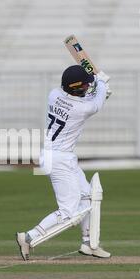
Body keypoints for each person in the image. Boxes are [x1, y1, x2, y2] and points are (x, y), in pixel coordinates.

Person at [16, 65, 112, 260]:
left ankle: (89, 243)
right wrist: (101, 83)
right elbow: (95, 104)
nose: (87, 87)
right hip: (58, 159)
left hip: (57, 155)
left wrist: (97, 88)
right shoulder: (82, 108)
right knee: (69, 212)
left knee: (86, 196)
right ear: (76, 88)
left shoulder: (54, 94)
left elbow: (87, 99)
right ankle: (28, 237)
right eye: (84, 86)